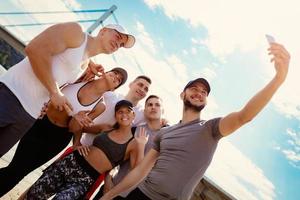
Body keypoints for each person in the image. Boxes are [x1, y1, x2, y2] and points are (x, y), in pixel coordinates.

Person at [100, 42, 290, 200]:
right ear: (183, 94)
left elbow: (244, 116)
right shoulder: (165, 132)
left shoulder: (210, 129)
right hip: (139, 194)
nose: (199, 93)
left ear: (206, 101)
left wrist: (278, 79)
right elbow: (140, 170)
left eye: (204, 92)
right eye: (194, 88)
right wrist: (110, 196)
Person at [0, 22, 135, 156]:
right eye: (118, 36)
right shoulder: (76, 32)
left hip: (30, 115)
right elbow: (34, 49)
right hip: (11, 94)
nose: (118, 44)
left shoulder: (85, 64)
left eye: (122, 44)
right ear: (103, 31)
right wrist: (54, 92)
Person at [0, 67, 128, 197]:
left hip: (57, 139)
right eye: (115, 73)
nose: (116, 77)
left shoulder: (100, 106)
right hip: (40, 122)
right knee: (16, 167)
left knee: (19, 171)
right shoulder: (82, 78)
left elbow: (73, 128)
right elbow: (57, 85)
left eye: (119, 80)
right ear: (106, 72)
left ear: (113, 89)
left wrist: (77, 120)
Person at [23, 100, 148, 200]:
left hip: (85, 179)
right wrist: (77, 143)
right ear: (116, 115)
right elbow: (78, 127)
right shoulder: (106, 128)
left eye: (128, 111)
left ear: (133, 115)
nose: (124, 114)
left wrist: (142, 145)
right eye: (120, 112)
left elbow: (136, 171)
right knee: (34, 195)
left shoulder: (134, 143)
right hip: (70, 163)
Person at [93, 95, 166, 199]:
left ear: (162, 110)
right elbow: (114, 155)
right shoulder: (134, 130)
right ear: (145, 111)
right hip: (112, 186)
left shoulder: (167, 137)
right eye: (150, 105)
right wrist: (108, 178)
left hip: (138, 195)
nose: (153, 107)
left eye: (157, 105)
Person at [80, 75, 152, 146]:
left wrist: (162, 121)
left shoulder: (142, 115)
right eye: (140, 85)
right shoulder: (110, 96)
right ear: (130, 84)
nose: (142, 90)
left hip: (107, 154)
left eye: (146, 89)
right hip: (84, 144)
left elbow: (154, 125)